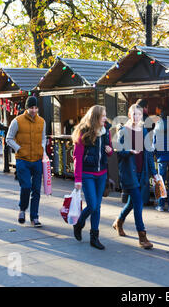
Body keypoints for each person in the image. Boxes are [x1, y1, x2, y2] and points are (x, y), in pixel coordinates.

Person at [112, 104, 160, 249]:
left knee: (132, 203)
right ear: (129, 115)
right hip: (128, 172)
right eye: (133, 114)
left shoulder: (144, 130)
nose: (136, 117)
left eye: (138, 114)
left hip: (142, 172)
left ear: (141, 116)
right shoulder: (123, 130)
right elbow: (118, 150)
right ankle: (142, 236)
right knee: (138, 203)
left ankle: (119, 221)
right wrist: (129, 151)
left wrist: (155, 173)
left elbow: (149, 154)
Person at [71, 105, 113, 250]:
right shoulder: (84, 132)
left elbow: (109, 149)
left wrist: (110, 151)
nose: (105, 118)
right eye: (103, 116)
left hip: (101, 173)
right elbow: (77, 156)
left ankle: (94, 237)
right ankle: (80, 223)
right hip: (87, 174)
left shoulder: (106, 131)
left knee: (97, 207)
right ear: (95, 117)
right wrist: (77, 180)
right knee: (93, 205)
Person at [6, 96, 46, 227]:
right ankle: (22, 209)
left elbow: (43, 138)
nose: (33, 110)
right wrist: (19, 149)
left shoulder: (42, 121)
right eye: (31, 108)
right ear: (26, 108)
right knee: (26, 187)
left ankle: (34, 217)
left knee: (36, 190)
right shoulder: (17, 121)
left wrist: (43, 150)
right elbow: (9, 138)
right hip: (22, 159)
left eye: (35, 107)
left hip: (37, 159)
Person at [153, 103, 169, 212]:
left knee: (161, 182)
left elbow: (154, 144)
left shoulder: (157, 126)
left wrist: (155, 155)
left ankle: (160, 205)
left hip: (161, 159)